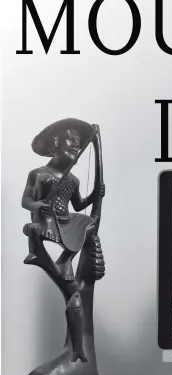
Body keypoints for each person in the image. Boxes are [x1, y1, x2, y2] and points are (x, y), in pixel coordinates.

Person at [22, 120, 105, 280]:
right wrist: (37, 206)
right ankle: (36, 251)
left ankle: (65, 259)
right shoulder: (38, 174)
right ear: (55, 143)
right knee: (46, 180)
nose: (76, 145)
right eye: (71, 139)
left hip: (65, 221)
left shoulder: (73, 180)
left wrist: (95, 195)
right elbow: (25, 200)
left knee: (89, 224)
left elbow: (78, 205)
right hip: (46, 220)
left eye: (79, 143)